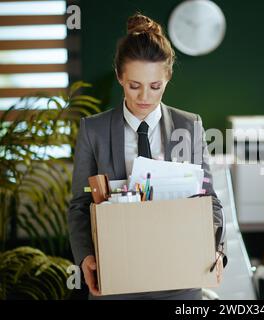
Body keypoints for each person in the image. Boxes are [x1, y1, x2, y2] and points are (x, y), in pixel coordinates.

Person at [68, 13, 226, 300]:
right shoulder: (94, 130)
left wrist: (217, 250)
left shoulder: (189, 127)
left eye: (155, 86)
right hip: (116, 278)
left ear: (167, 78)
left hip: (179, 278)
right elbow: (81, 203)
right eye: (134, 85)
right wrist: (86, 257)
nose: (144, 97)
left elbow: (208, 199)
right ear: (119, 77)